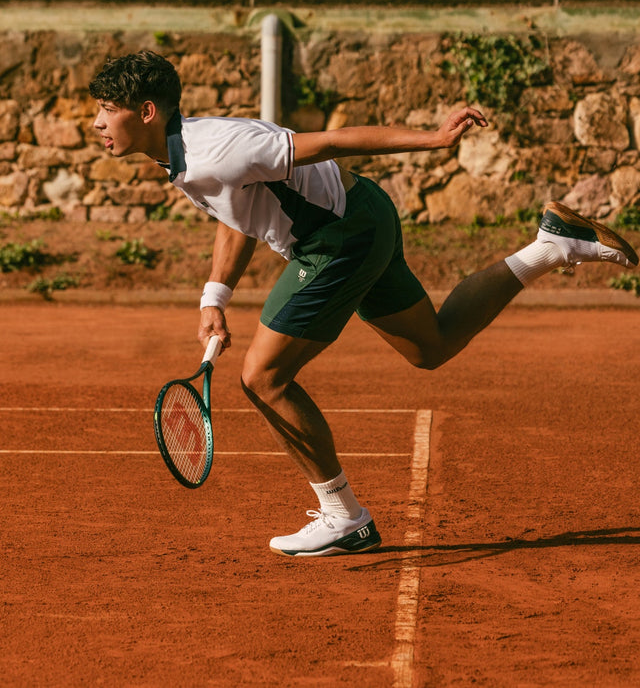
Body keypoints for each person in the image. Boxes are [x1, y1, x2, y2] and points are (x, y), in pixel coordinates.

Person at [89, 50, 638, 557]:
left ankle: (343, 515)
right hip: (363, 214)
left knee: (263, 377)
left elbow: (330, 142)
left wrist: (433, 139)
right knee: (432, 346)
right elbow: (239, 212)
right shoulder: (186, 151)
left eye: (107, 110)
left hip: (338, 237)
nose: (97, 124)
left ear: (146, 111)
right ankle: (550, 247)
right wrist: (215, 295)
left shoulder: (216, 148)